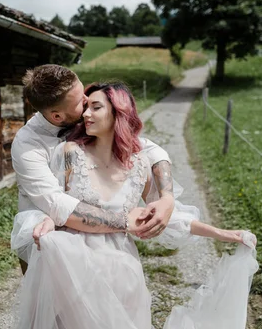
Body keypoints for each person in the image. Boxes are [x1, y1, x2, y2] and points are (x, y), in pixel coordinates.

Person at [11, 81, 259, 329]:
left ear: (118, 113)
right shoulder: (68, 152)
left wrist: (225, 234)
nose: (85, 113)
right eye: (86, 107)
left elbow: (162, 215)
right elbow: (55, 201)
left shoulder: (139, 166)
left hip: (122, 271)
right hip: (75, 268)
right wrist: (48, 219)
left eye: (95, 107)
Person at [11, 65, 177, 272]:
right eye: (81, 100)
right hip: (44, 242)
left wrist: (167, 197)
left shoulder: (82, 116)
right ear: (57, 117)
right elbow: (56, 203)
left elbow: (149, 149)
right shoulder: (27, 145)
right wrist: (125, 221)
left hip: (94, 242)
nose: (87, 100)